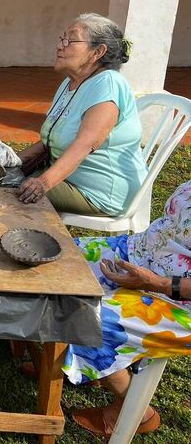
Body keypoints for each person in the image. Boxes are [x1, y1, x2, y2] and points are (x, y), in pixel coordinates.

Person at [64, 180, 191, 437]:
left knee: (89, 321)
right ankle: (56, 355)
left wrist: (156, 283)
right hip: (141, 255)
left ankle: (133, 410)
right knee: (58, 259)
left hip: (178, 301)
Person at [17, 13, 147, 216]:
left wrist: (43, 183)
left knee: (10, 191)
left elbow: (84, 144)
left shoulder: (108, 83)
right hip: (67, 177)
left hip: (98, 192)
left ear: (98, 51)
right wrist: (12, 162)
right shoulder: (70, 84)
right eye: (62, 39)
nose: (61, 45)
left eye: (71, 40)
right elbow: (49, 141)